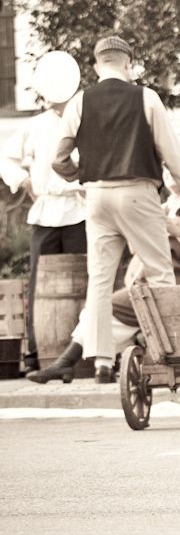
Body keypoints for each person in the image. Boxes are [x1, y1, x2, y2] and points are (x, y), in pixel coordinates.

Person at [53, 35, 180, 383]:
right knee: (160, 272)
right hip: (138, 192)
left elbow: (58, 159)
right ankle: (169, 352)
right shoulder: (146, 97)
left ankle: (102, 361)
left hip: (97, 196)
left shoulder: (79, 101)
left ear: (97, 65)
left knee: (100, 279)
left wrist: (83, 176)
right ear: (127, 63)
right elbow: (173, 155)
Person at [26, 160, 180, 383]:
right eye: (166, 172)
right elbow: (140, 250)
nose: (168, 176)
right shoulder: (164, 207)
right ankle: (92, 365)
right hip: (152, 284)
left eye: (174, 173)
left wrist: (174, 230)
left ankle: (80, 363)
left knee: (103, 308)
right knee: (99, 311)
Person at [0, 51, 86, 374]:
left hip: (79, 209)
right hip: (45, 211)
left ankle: (81, 351)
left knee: (83, 279)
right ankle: (38, 352)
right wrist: (22, 180)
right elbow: (5, 157)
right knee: (40, 283)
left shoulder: (85, 121)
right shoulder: (34, 126)